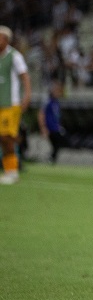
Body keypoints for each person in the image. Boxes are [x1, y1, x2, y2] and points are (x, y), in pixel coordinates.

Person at [0, 26, 30, 184]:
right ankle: (9, 169)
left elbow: (25, 77)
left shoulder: (14, 56)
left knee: (6, 137)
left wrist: (27, 96)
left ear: (6, 39)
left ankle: (12, 171)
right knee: (4, 137)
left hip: (11, 103)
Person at [38, 81, 67, 164]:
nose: (58, 93)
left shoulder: (56, 102)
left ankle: (51, 159)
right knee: (55, 144)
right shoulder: (47, 101)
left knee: (58, 144)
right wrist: (43, 127)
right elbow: (41, 114)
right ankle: (50, 158)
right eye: (57, 91)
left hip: (56, 128)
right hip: (50, 128)